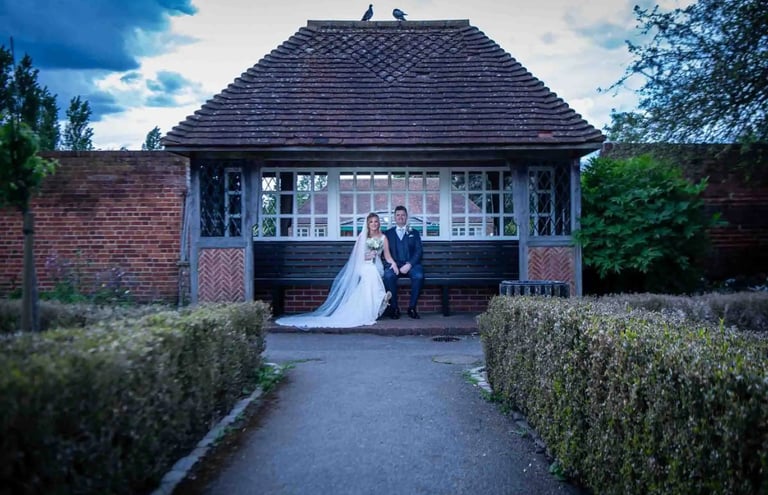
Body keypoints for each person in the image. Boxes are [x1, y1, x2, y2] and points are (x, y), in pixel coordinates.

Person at [275, 212, 397, 329]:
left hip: (377, 265)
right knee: (370, 272)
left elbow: (387, 256)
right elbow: (357, 256)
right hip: (363, 265)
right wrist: (368, 255)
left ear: (379, 223)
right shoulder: (362, 237)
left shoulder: (383, 238)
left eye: (376, 222)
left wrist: (394, 264)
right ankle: (380, 298)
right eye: (371, 222)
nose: (374, 224)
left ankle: (376, 303)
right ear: (368, 224)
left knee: (372, 273)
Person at [382, 205, 424, 319]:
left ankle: (412, 308)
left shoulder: (414, 233)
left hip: (411, 264)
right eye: (398, 215)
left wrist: (409, 264)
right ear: (394, 217)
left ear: (406, 217)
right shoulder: (388, 234)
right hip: (394, 264)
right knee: (388, 276)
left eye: (403, 215)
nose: (400, 217)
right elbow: (385, 253)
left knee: (419, 276)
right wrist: (392, 264)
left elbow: (418, 251)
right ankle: (394, 308)